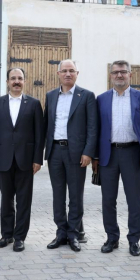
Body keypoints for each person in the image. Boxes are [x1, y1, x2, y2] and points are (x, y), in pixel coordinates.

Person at [94, 60, 140, 256]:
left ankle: (134, 239)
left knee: (134, 199)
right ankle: (112, 237)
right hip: (108, 154)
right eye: (116, 72)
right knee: (108, 199)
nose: (119, 75)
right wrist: (95, 156)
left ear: (130, 75)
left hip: (132, 153)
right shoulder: (101, 99)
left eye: (123, 72)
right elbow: (96, 130)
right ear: (110, 75)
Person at [0, 68, 44, 252]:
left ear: (24, 81)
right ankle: (7, 234)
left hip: (26, 160)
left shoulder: (34, 104)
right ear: (7, 82)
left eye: (20, 78)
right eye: (13, 78)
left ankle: (20, 237)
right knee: (6, 199)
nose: (16, 81)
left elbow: (39, 134)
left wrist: (37, 159)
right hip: (3, 159)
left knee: (24, 200)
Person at [44, 60, 97, 252]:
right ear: (58, 73)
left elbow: (93, 127)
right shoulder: (50, 96)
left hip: (76, 153)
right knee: (58, 195)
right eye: (64, 71)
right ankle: (60, 232)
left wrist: (88, 152)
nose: (68, 74)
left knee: (75, 195)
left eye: (71, 71)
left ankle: (73, 233)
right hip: (55, 151)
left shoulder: (87, 96)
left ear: (77, 73)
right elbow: (46, 124)